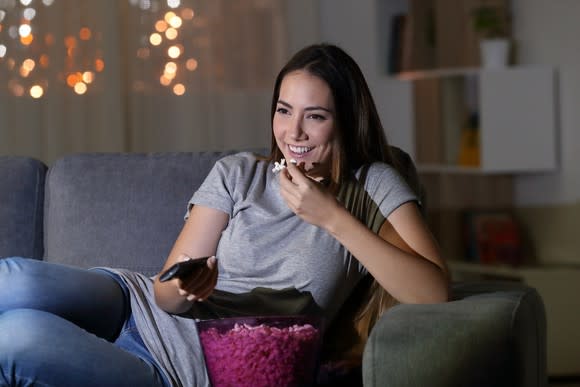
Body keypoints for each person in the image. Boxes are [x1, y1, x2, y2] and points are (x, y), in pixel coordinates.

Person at [0, 43, 449, 386]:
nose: (293, 132)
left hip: (185, 365)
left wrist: (331, 218)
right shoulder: (239, 173)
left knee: (17, 336)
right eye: (283, 111)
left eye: (315, 117)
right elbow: (164, 295)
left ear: (347, 122)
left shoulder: (371, 185)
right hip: (137, 307)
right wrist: (186, 287)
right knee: (14, 278)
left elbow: (433, 291)